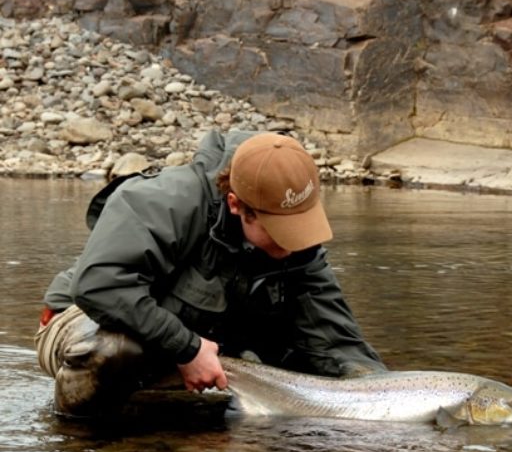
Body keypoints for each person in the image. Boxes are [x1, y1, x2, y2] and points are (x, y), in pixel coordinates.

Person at [35, 130, 386, 418]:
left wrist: (383, 395)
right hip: (81, 321)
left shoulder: (299, 244)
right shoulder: (164, 201)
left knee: (311, 367)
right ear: (236, 205)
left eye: (300, 225)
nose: (294, 244)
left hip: (200, 339)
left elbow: (335, 341)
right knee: (113, 352)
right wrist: (186, 348)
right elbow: (99, 287)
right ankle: (79, 434)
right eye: (280, 230)